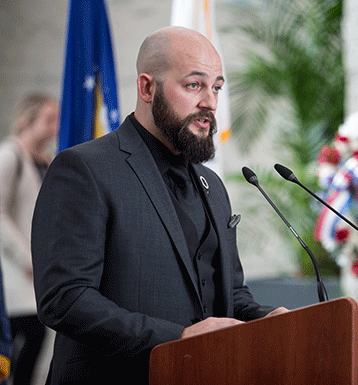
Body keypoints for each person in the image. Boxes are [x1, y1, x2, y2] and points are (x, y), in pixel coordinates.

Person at [31, 26, 288, 385]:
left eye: (216, 87)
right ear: (147, 88)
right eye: (194, 85)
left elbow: (228, 294)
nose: (210, 103)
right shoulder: (84, 168)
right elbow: (65, 298)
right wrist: (178, 340)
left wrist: (268, 318)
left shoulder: (212, 184)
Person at [0, 93, 58, 385]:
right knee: (27, 335)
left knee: (35, 336)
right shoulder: (10, 155)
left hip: (37, 272)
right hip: (14, 271)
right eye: (49, 119)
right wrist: (27, 258)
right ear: (29, 120)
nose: (55, 126)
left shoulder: (47, 160)